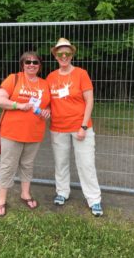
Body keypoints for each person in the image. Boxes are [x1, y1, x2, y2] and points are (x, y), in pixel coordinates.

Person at [46, 38, 103, 217]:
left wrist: (84, 126)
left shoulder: (81, 74)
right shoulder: (50, 77)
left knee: (86, 164)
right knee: (60, 162)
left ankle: (94, 199)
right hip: (58, 128)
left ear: (72, 55)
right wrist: (46, 110)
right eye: (60, 53)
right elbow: (48, 102)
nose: (64, 56)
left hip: (80, 127)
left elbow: (89, 100)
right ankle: (62, 192)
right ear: (55, 55)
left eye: (67, 53)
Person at [0, 51, 50, 216]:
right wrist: (18, 105)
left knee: (27, 165)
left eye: (35, 62)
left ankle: (25, 194)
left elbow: (49, 106)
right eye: (28, 62)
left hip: (34, 133)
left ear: (40, 66)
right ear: (22, 65)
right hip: (12, 132)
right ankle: (1, 199)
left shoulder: (44, 84)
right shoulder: (14, 78)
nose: (32, 65)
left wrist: (47, 111)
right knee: (8, 166)